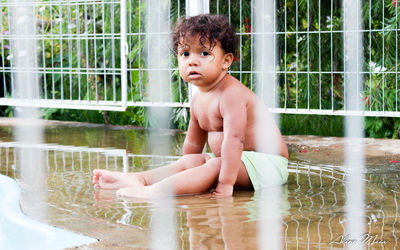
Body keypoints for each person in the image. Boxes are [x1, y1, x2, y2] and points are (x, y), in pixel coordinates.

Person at [92, 14, 289, 198]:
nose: (192, 61)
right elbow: (193, 145)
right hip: (237, 163)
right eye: (185, 54)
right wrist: (189, 169)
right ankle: (140, 179)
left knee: (216, 165)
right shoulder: (198, 98)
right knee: (193, 160)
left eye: (204, 53)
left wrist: (226, 183)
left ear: (226, 61)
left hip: (268, 164)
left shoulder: (231, 94)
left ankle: (156, 191)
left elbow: (235, 141)